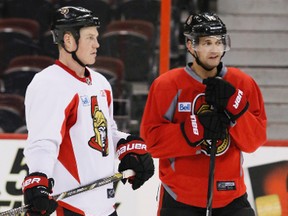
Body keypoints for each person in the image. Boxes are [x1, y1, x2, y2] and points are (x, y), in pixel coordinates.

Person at [22, 6, 154, 216]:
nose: (97, 44)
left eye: (96, 37)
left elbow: (104, 132)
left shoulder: (100, 82)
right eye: (90, 37)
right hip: (71, 207)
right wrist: (38, 178)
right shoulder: (48, 83)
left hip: (105, 206)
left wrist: (125, 146)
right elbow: (43, 141)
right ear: (68, 40)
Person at [140, 12, 267, 216]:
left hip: (231, 196)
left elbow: (254, 141)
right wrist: (195, 129)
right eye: (207, 43)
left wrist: (237, 110)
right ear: (191, 46)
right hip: (180, 197)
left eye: (218, 42)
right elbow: (152, 142)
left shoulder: (243, 83)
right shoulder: (166, 85)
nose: (215, 49)